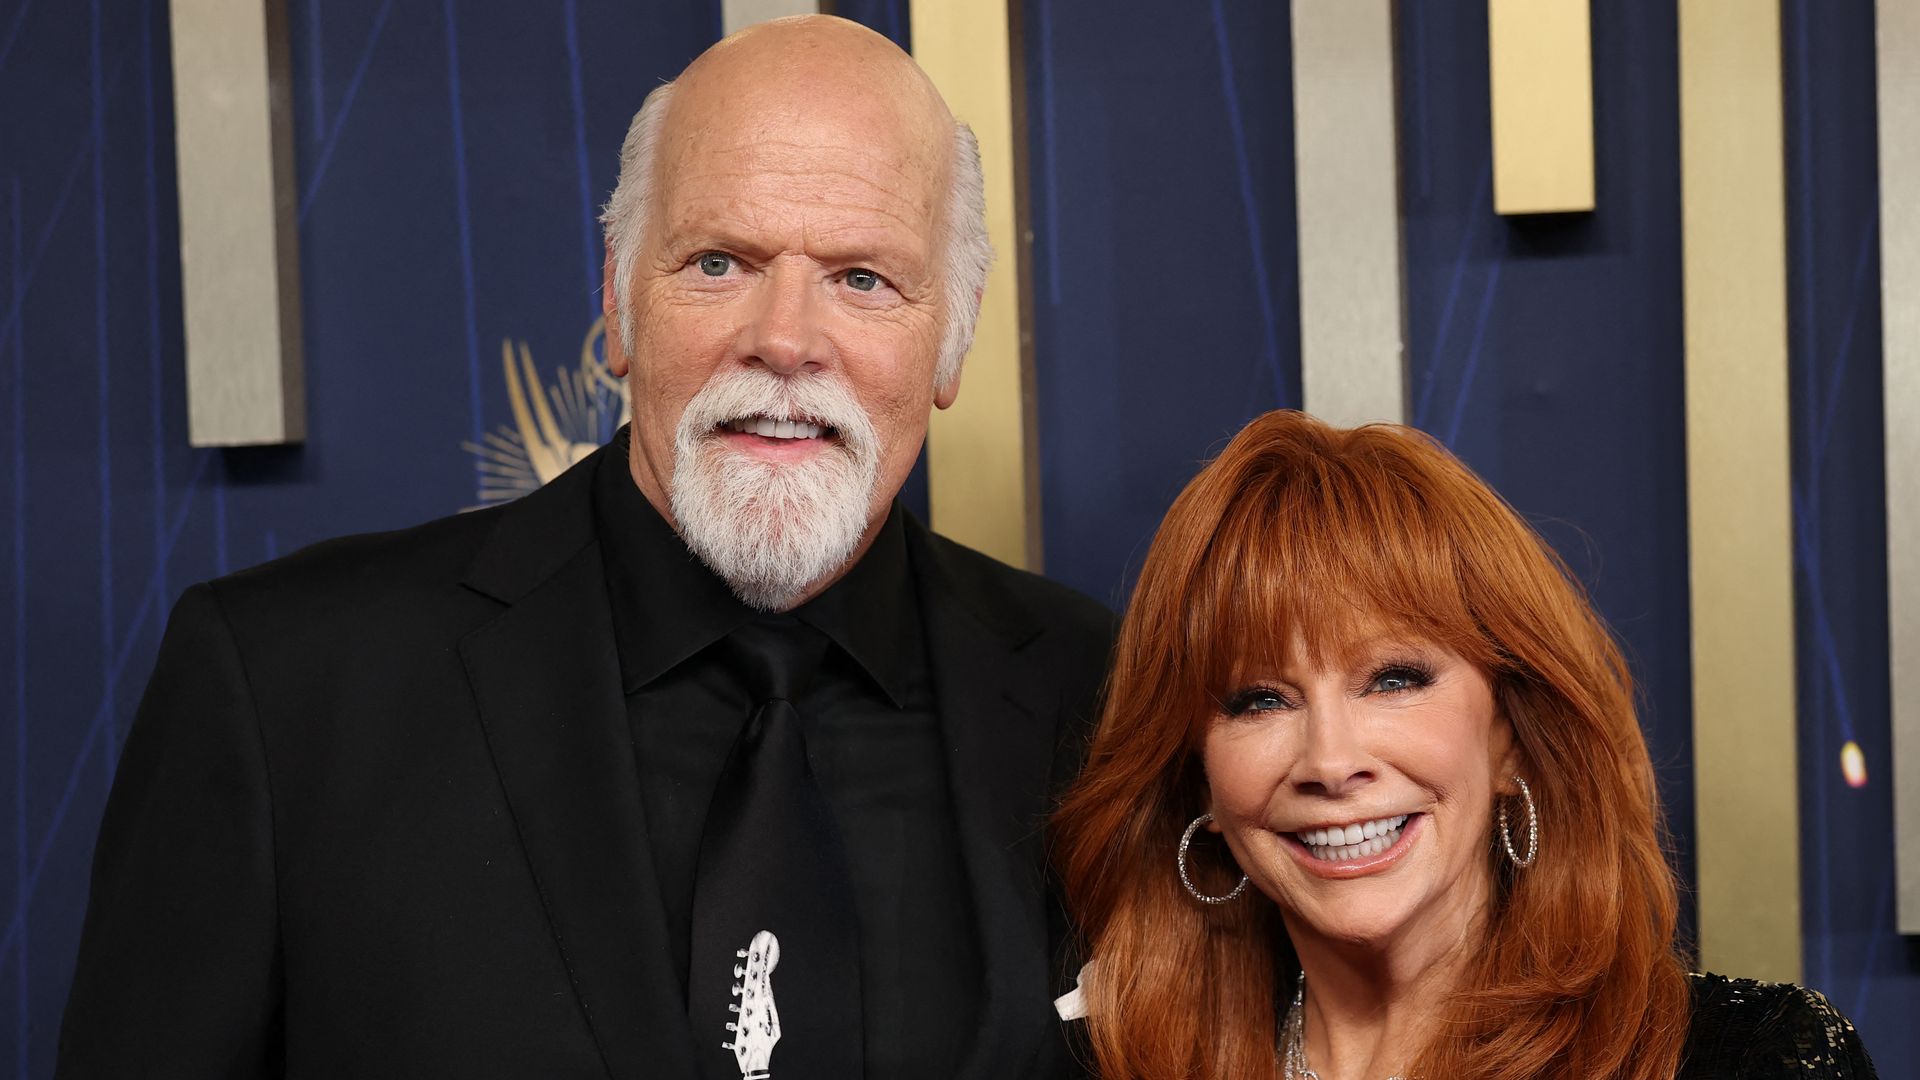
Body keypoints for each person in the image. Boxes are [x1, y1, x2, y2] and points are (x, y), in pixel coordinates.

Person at [57, 16, 1111, 1079]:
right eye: (719, 261)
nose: (787, 339)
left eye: (864, 279)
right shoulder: (288, 692)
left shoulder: (1101, 700)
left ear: (953, 339)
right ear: (616, 302)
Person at [1051, 411, 1875, 1079]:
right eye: (1260, 700)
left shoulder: (1760, 1059)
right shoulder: (1114, 1066)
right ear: (1199, 783)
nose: (1332, 762)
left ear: (1512, 737)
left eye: (1395, 679)